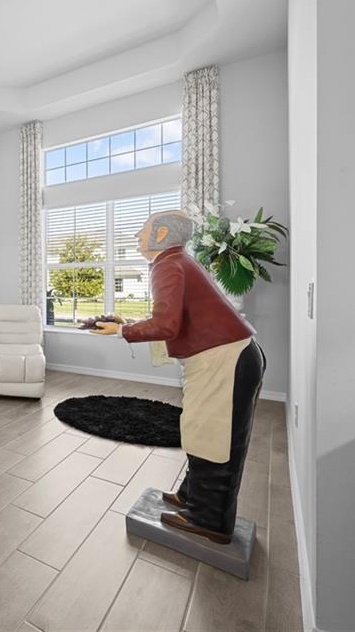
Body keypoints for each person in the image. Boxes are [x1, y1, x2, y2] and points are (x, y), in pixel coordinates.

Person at [91, 210, 266, 544]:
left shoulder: (168, 265)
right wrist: (125, 324)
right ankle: (192, 497)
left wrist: (122, 330)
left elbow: (167, 326)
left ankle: (209, 520)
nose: (137, 237)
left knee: (213, 436)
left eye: (142, 231)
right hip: (231, 355)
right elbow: (172, 317)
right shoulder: (179, 262)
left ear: (160, 236)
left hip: (223, 359)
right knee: (201, 429)